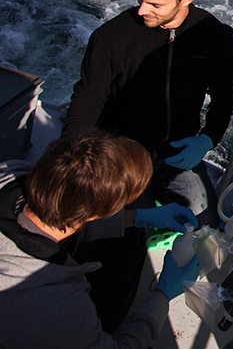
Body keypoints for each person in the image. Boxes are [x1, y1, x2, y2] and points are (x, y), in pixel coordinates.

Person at [62, 0, 233, 329]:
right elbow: (87, 98)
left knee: (206, 226)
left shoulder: (216, 36)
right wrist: (72, 154)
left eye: (155, 5)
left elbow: (225, 96)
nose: (142, 11)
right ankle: (106, 328)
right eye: (140, 0)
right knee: (119, 248)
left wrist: (207, 140)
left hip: (179, 151)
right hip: (125, 155)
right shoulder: (110, 37)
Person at [0, 132, 200, 348]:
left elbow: (62, 213)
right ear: (97, 214)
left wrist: (137, 217)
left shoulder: (11, 173)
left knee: (130, 234)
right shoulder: (59, 302)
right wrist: (163, 293)